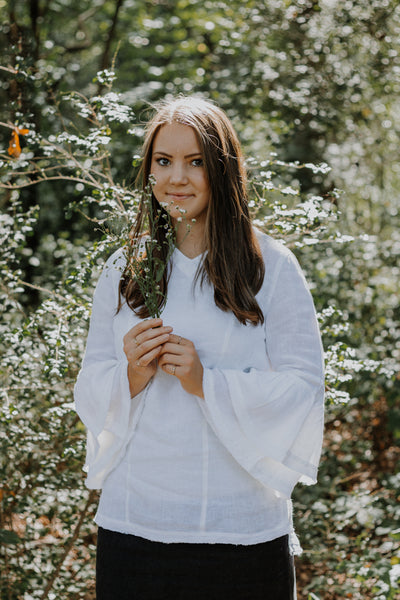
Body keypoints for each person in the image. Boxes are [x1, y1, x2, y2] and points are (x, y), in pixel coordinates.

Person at [74, 96, 325, 600]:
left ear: (222, 169)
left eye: (195, 162)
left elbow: (305, 388)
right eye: (163, 161)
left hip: (239, 528)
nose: (177, 178)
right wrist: (132, 375)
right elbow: (89, 383)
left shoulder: (269, 266)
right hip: (135, 524)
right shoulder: (122, 269)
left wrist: (204, 381)